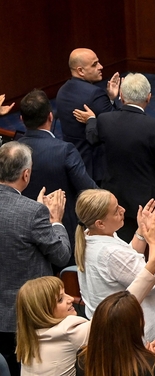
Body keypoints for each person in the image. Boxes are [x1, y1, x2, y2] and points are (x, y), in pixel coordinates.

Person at [14, 237, 155, 376]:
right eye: (60, 299)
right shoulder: (69, 332)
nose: (70, 299)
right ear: (43, 310)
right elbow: (120, 311)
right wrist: (154, 261)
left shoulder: (28, 335)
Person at [0, 142, 71, 376]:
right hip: (27, 318)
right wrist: (56, 222)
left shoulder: (32, 211)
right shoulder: (33, 213)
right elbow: (61, 256)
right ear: (26, 174)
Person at [77, 73, 155, 241]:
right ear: (149, 98)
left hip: (114, 203)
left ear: (122, 96)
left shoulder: (104, 120)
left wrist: (91, 121)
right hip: (150, 204)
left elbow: (92, 138)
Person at [74, 189, 155, 362]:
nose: (123, 210)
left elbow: (126, 264)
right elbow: (154, 283)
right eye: (115, 210)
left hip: (114, 330)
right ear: (100, 223)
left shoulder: (89, 236)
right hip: (135, 334)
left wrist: (141, 232)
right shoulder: (109, 252)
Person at [18, 89, 97, 266]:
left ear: (22, 119)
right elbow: (89, 190)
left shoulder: (12, 151)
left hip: (25, 237)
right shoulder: (64, 150)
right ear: (50, 117)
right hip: (64, 236)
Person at [55, 48, 121, 183]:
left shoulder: (62, 91)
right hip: (96, 167)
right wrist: (115, 100)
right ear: (80, 71)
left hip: (73, 162)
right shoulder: (95, 94)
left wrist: (110, 99)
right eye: (94, 64)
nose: (101, 67)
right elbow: (117, 125)